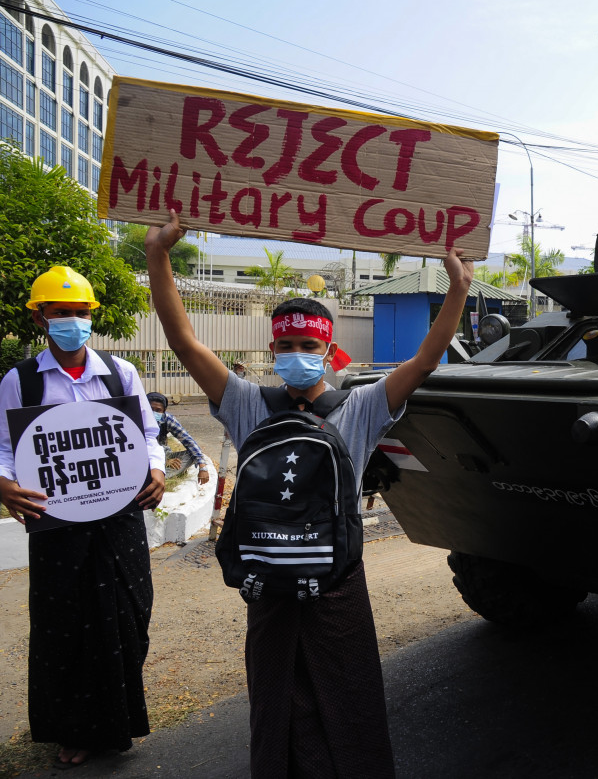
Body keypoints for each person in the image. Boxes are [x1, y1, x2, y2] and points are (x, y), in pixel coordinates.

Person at [144, 209, 474, 778]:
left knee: (350, 701)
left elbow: (424, 359)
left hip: (337, 586)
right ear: (274, 348)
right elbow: (185, 342)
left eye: (306, 343)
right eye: (286, 342)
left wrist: (459, 289)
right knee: (277, 703)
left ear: (327, 350)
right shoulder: (247, 402)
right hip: (270, 584)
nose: (295, 352)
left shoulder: (362, 405)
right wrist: (158, 256)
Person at [0, 266, 166, 769]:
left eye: (80, 313)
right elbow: (6, 450)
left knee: (128, 615)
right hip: (58, 524)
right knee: (65, 624)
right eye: (61, 313)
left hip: (120, 520)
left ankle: (117, 723)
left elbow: (147, 435)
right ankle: (73, 729)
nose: (72, 321)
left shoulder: (120, 373)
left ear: (91, 317)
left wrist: (156, 469)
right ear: (41, 317)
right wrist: (3, 484)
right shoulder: (20, 380)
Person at [147, 391, 211, 484]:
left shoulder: (167, 419)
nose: (154, 413)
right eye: (151, 409)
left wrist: (203, 467)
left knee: (191, 455)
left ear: (163, 411)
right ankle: (156, 478)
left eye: (158, 410)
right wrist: (164, 461)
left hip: (164, 454)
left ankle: (157, 478)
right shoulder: (136, 420)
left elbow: (187, 440)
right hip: (144, 459)